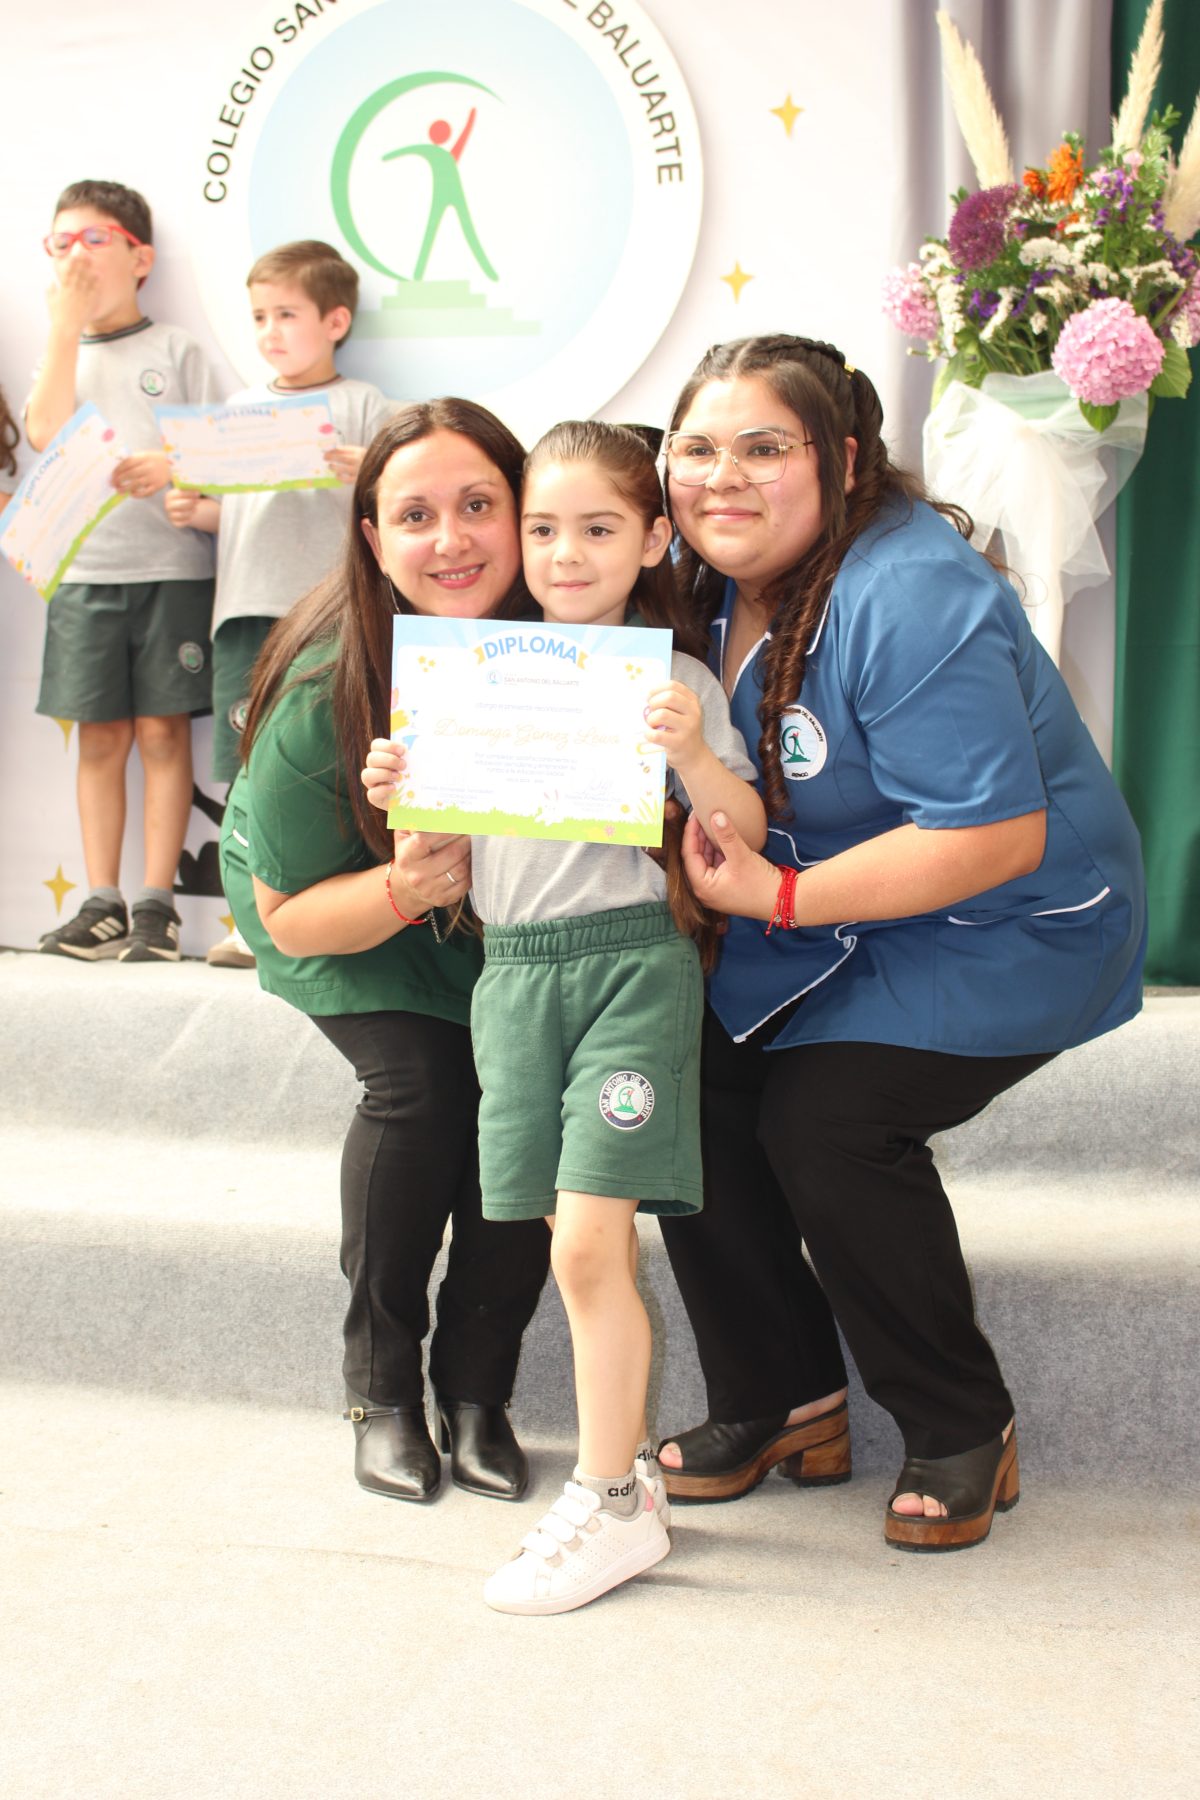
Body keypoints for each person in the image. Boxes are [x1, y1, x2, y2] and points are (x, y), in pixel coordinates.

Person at [654, 333, 1146, 1553]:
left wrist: (773, 902)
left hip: (1007, 920)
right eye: (698, 448)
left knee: (826, 1124)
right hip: (828, 900)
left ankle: (959, 1421)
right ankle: (785, 1400)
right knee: (684, 1081)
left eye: (765, 448)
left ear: (844, 460)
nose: (724, 476)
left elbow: (989, 838)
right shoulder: (697, 582)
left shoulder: (910, 591)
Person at [365, 421, 767, 1614]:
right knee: (560, 1239)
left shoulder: (672, 680)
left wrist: (693, 754)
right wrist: (404, 799)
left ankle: (608, 1494)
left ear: (653, 537)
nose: (566, 553)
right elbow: (432, 857)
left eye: (599, 529)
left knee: (593, 1244)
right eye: (543, 528)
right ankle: (623, 1483)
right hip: (515, 980)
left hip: (631, 973)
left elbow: (738, 826)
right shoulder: (469, 670)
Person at [218, 400, 551, 1504]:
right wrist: (407, 886)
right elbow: (292, 918)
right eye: (414, 514)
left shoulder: (575, 646)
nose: (449, 539)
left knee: (525, 1096)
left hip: (505, 925)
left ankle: (477, 1391)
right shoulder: (325, 690)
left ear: (525, 513)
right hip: (348, 909)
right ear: (371, 536)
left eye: (477, 506)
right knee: (423, 1091)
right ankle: (381, 1391)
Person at [165, 239, 394, 969]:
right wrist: (193, 511)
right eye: (260, 316)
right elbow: (237, 517)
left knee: (320, 754)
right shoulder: (238, 411)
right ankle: (246, 922)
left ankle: (323, 909)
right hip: (243, 612)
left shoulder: (364, 406)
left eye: (285, 313)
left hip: (329, 615)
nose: (269, 331)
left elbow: (399, 502)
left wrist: (373, 469)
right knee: (244, 765)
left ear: (335, 320)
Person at [29, 179, 223, 962]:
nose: (76, 254)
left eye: (94, 238)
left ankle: (157, 905)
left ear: (140, 256)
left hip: (171, 569)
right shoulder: (60, 348)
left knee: (162, 733)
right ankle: (100, 899)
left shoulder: (175, 350)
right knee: (100, 737)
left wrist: (168, 465)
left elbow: (217, 458)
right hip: (82, 574)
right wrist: (63, 328)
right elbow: (47, 430)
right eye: (61, 242)